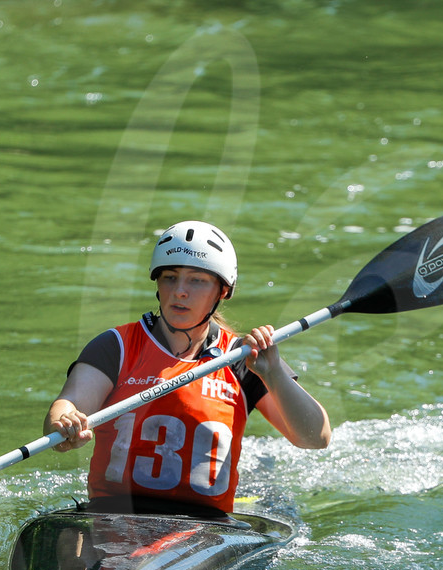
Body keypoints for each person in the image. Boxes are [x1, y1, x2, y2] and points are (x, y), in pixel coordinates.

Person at [45, 220, 331, 518]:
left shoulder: (243, 357)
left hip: (207, 526)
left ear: (222, 291)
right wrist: (63, 424)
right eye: (170, 277)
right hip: (111, 514)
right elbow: (70, 403)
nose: (180, 291)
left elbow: (315, 437)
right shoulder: (117, 346)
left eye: (197, 280)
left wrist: (274, 375)